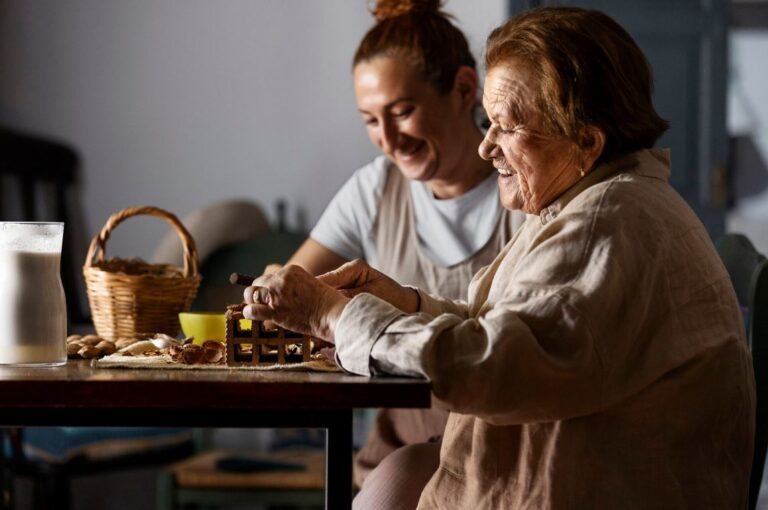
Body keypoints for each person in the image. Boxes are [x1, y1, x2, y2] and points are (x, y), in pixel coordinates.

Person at [245, 6, 755, 510]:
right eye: (487, 124)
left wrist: (330, 314)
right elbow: (511, 329)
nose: (487, 147)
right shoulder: (588, 203)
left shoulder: (605, 222)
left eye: (507, 127)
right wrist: (403, 302)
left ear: (586, 141)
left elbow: (494, 366)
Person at [265, 0, 525, 489]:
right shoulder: (375, 188)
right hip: (394, 453)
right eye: (369, 120)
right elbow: (297, 283)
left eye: (403, 112)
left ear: (464, 89)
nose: (387, 139)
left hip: (504, 458)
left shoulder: (524, 187)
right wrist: (277, 289)